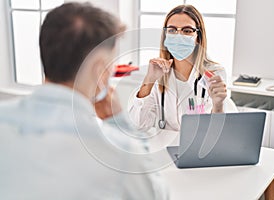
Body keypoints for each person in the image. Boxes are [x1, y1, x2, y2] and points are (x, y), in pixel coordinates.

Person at [0, 3, 168, 200]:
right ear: (99, 70)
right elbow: (156, 195)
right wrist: (119, 122)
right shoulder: (120, 153)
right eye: (111, 65)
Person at [129, 5, 237, 131]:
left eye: (187, 31)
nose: (178, 36)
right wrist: (149, 81)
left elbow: (216, 131)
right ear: (165, 35)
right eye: (172, 30)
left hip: (199, 147)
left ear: (198, 37)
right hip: (167, 147)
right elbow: (138, 126)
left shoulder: (214, 73)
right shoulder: (157, 71)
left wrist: (218, 105)